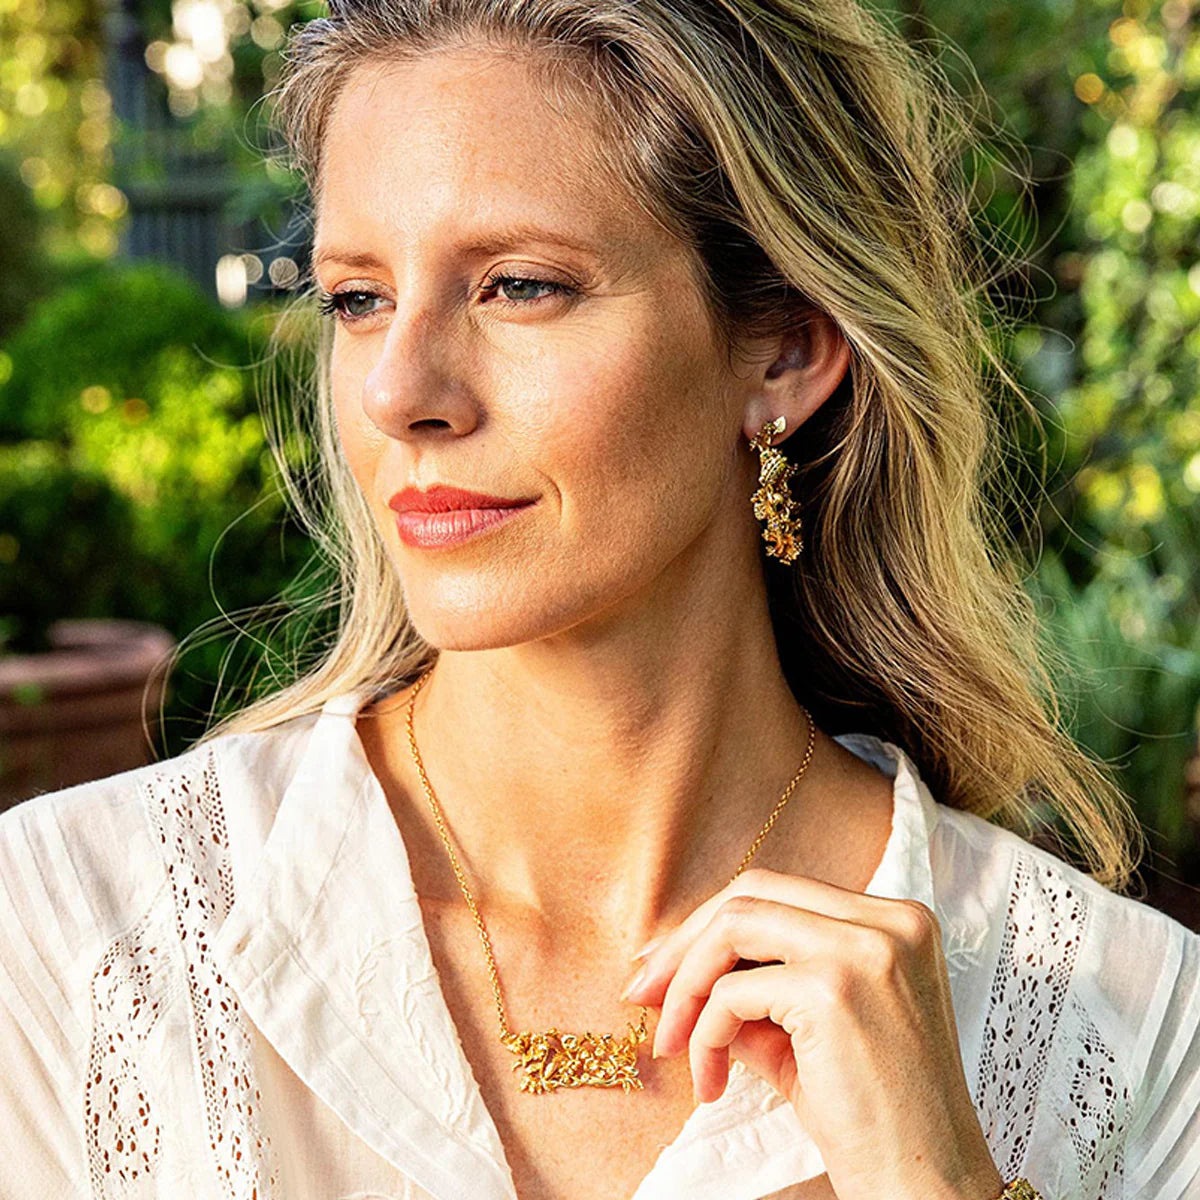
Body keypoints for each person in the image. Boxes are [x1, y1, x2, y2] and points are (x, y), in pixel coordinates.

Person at [1, 0, 1197, 1197]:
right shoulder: (66, 934)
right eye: (357, 299)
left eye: (519, 286)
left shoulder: (1136, 1027)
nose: (401, 392)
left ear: (783, 350)